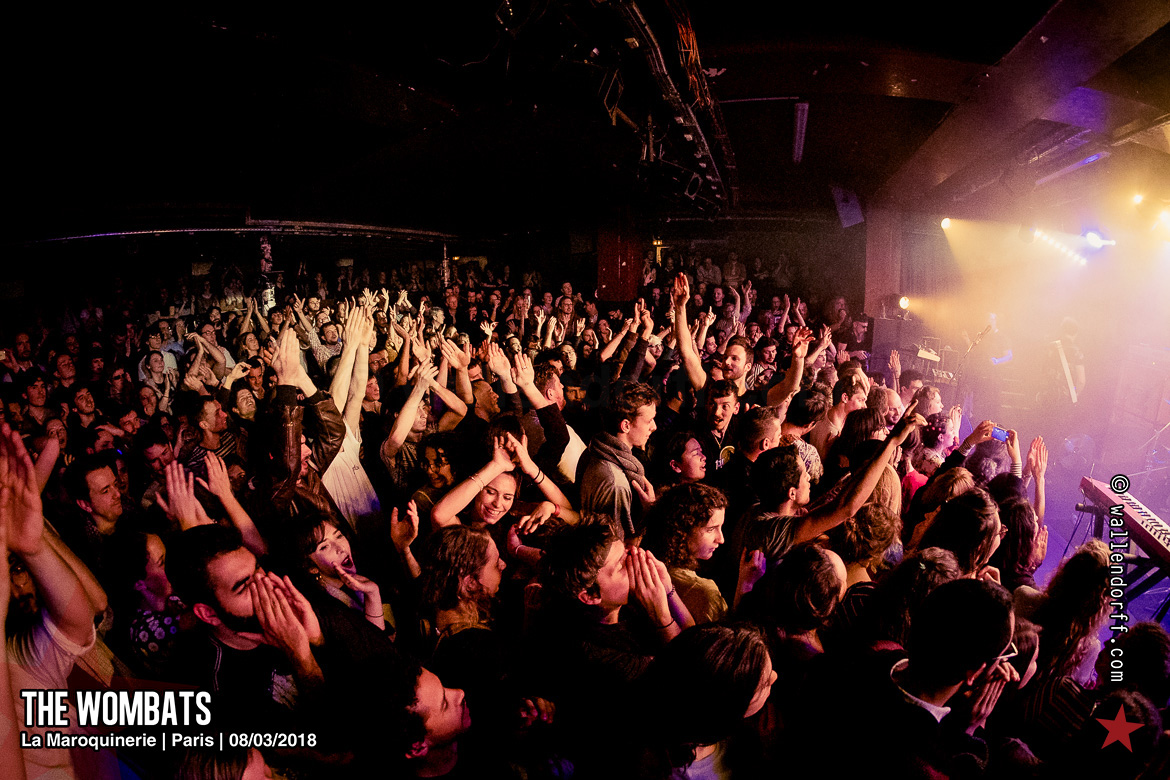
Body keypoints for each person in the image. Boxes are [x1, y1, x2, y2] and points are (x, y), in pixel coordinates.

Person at [576, 381, 659, 539]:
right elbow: (616, 544)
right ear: (626, 425)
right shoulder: (616, 483)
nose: (654, 427)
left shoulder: (593, 450)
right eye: (649, 421)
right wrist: (649, 513)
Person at [643, 483, 728, 624]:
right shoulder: (704, 592)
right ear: (682, 531)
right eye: (711, 529)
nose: (721, 539)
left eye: (720, 528)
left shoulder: (650, 567)